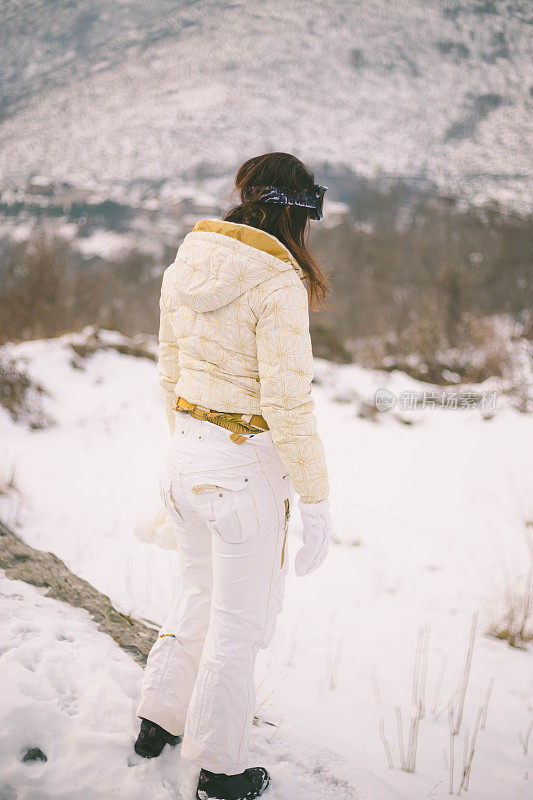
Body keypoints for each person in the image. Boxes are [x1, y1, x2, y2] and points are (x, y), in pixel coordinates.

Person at [134, 152, 332, 800]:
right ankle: (220, 771)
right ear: (297, 212)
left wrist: (189, 448)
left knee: (193, 592)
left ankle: (155, 723)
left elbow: (168, 371)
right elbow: (287, 404)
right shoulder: (277, 282)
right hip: (240, 472)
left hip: (183, 458)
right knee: (236, 624)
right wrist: (316, 501)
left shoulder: (187, 261)